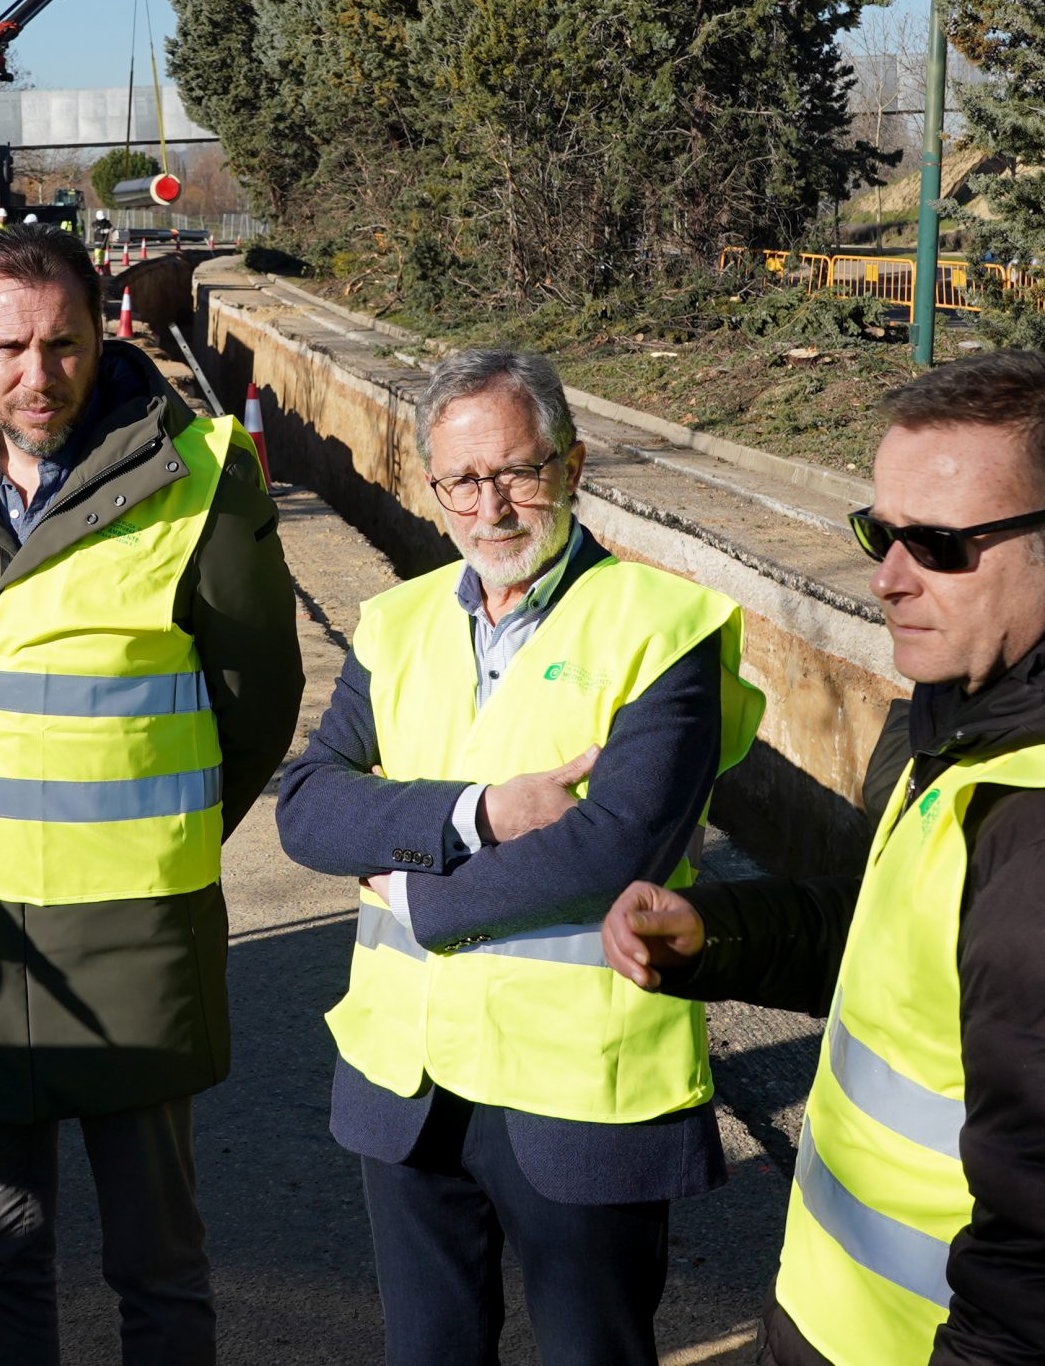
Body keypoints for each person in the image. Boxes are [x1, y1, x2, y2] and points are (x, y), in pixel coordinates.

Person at [277, 349, 764, 1366]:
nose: (490, 505)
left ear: (572, 465)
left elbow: (617, 843)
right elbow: (309, 808)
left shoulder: (660, 627)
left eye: (516, 471)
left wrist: (412, 896)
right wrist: (480, 812)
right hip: (407, 1085)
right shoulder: (397, 623)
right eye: (461, 479)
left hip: (580, 1091)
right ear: (432, 487)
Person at [0, 224, 301, 1366]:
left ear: (99, 330)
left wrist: (166, 828)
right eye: (8, 345)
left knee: (154, 1263)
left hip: (131, 940)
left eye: (61, 342)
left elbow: (257, 694)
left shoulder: (195, 472)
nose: (36, 372)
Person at [603, 351, 1045, 1366]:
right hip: (828, 1316)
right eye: (879, 533)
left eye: (938, 544)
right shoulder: (960, 726)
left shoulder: (1026, 824)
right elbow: (891, 948)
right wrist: (718, 933)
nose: (888, 577)